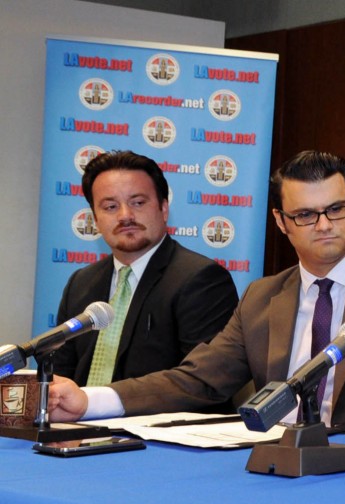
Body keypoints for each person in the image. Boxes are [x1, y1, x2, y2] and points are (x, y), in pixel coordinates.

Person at [48, 150, 345, 438]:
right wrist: (89, 401)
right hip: (272, 464)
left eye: (336, 209)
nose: (323, 225)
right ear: (281, 222)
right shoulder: (262, 296)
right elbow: (198, 379)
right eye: (305, 215)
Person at [52, 150, 238, 387]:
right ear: (95, 220)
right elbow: (61, 373)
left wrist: (104, 402)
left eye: (138, 203)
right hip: (76, 422)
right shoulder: (81, 283)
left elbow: (204, 381)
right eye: (110, 207)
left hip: (154, 422)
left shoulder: (201, 279)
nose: (125, 216)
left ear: (163, 208)